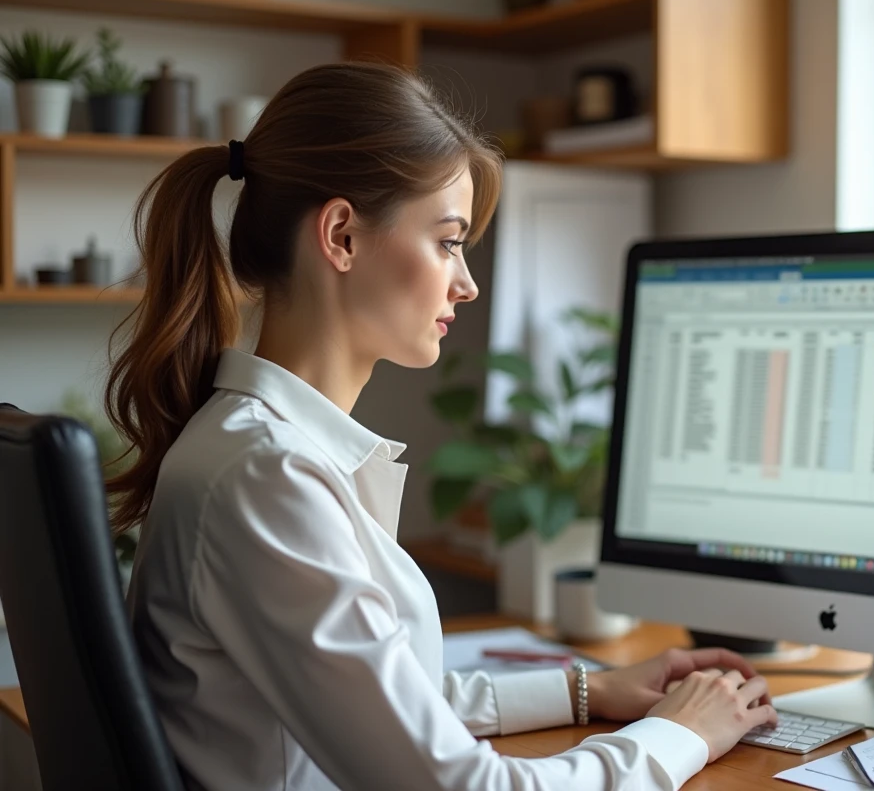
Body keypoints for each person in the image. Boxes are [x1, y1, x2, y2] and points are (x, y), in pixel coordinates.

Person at [107, 62, 777, 791]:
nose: (468, 282)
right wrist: (677, 737)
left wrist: (586, 691)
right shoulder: (266, 475)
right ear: (341, 235)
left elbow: (382, 704)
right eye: (448, 241)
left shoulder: (257, 449)